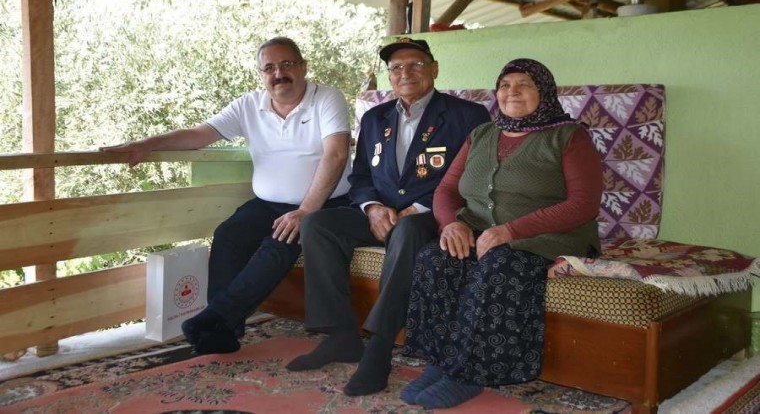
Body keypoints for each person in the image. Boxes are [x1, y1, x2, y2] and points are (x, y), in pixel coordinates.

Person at [101, 37, 352, 355]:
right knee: (228, 235)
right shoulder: (248, 105)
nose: (279, 73)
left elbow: (337, 155)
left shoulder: (327, 98)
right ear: (261, 74)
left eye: (287, 64)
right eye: (269, 68)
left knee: (278, 246)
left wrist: (305, 211)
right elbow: (198, 135)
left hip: (324, 203)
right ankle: (225, 332)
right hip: (268, 202)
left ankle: (212, 319)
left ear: (303, 67)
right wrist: (148, 143)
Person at [286, 38, 491, 396]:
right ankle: (342, 335)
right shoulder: (374, 117)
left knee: (409, 230)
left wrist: (422, 206)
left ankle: (379, 348)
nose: (405, 73)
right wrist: (372, 208)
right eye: (396, 68)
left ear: (434, 69)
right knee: (317, 223)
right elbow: (360, 177)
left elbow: (474, 178)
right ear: (389, 76)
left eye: (415, 64)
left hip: (435, 216)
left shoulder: (468, 116)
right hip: (382, 214)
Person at [400, 58, 603, 409]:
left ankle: (469, 374)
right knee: (437, 257)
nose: (512, 92)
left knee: (499, 266)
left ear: (544, 92)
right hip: (480, 232)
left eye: (523, 84)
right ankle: (443, 361)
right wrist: (453, 224)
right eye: (505, 85)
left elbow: (584, 204)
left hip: (546, 238)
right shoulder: (482, 134)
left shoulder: (569, 136)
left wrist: (510, 230)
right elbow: (446, 190)